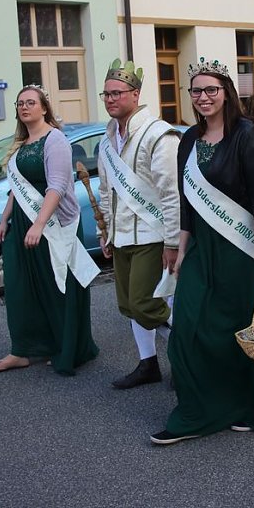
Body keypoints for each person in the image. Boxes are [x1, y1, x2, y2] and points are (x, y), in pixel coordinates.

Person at [150, 58, 254, 445]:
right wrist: (180, 249)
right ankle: (195, 412)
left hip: (240, 251)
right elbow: (187, 202)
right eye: (197, 91)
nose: (203, 97)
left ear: (226, 93)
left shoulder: (247, 135)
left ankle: (245, 405)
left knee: (238, 332)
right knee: (186, 330)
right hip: (201, 249)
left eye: (211, 90)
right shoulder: (188, 138)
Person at [0, 84, 99, 375]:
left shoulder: (55, 139)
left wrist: (38, 225)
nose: (24, 107)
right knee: (21, 287)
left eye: (30, 102)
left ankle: (67, 346)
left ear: (44, 108)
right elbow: (16, 187)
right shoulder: (22, 144)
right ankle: (22, 350)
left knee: (57, 285)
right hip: (23, 222)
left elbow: (57, 186)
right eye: (20, 103)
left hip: (52, 224)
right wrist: (4, 218)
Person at [97, 59, 180, 389]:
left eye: (117, 93)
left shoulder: (158, 135)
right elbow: (106, 190)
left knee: (146, 304)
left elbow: (171, 193)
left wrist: (172, 241)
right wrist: (105, 231)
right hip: (121, 236)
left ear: (136, 94)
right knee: (129, 306)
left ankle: (189, 353)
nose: (111, 99)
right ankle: (148, 364)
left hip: (152, 234)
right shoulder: (107, 139)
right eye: (106, 94)